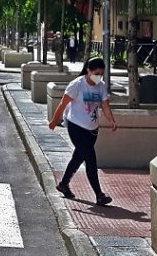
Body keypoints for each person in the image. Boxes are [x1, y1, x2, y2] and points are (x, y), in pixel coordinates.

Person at [48, 57, 118, 206]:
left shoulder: (101, 86)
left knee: (78, 158)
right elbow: (63, 103)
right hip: (76, 126)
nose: (98, 77)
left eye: (101, 74)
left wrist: (111, 120)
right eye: (96, 73)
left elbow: (105, 105)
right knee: (90, 159)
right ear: (88, 70)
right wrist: (54, 120)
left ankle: (63, 184)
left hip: (92, 129)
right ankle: (99, 194)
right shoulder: (77, 85)